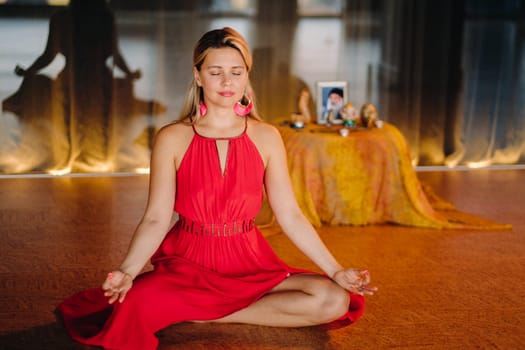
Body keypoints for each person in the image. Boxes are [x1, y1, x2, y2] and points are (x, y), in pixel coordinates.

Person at [56, 27, 376, 350]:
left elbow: (291, 215)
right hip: (188, 264)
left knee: (334, 299)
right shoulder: (172, 138)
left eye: (236, 73)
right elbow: (155, 218)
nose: (227, 82)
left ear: (246, 77)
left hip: (249, 263)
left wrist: (335, 270)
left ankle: (208, 314)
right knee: (130, 305)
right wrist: (127, 270)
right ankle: (196, 303)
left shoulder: (267, 137)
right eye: (216, 72)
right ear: (198, 76)